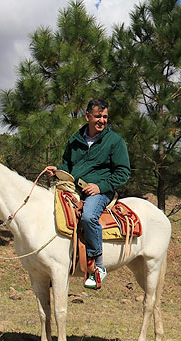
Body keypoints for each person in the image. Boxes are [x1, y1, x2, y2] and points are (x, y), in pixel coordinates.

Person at [45, 98, 131, 288]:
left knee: (88, 217)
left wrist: (100, 187)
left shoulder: (115, 141)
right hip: (75, 188)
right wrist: (57, 169)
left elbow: (123, 172)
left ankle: (98, 265)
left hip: (101, 191)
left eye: (105, 117)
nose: (102, 120)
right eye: (98, 116)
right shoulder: (75, 140)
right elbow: (68, 165)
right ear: (88, 116)